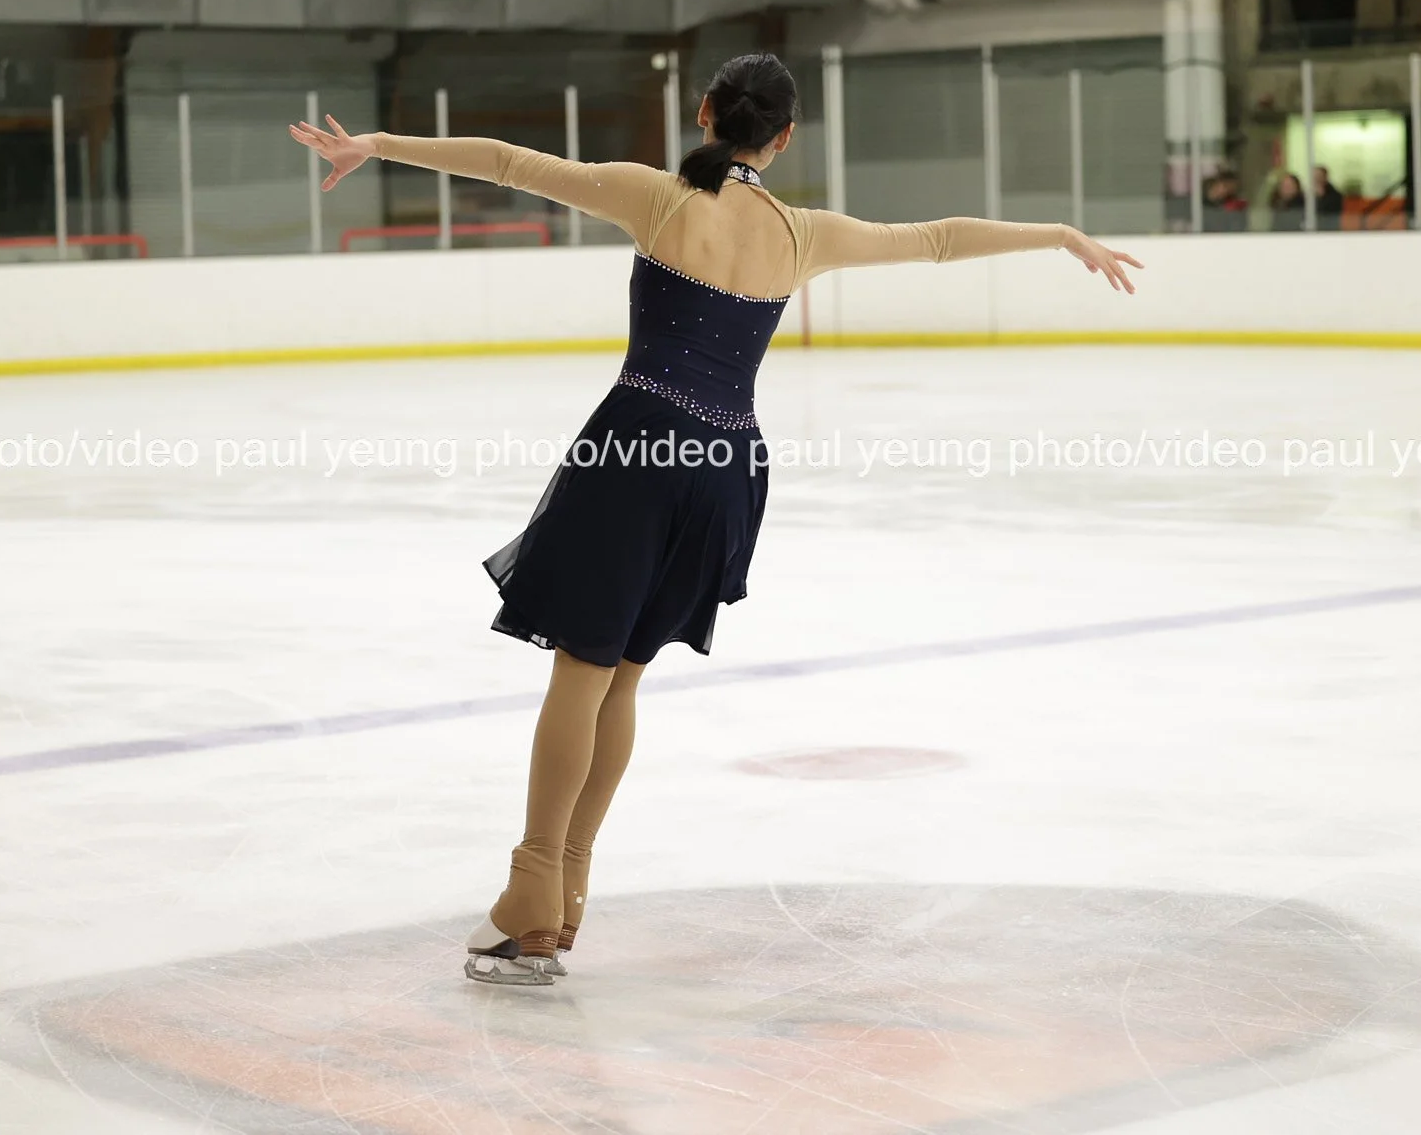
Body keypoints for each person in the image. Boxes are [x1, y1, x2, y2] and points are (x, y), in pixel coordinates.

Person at [289, 54, 1142, 986]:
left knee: (582, 668)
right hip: (724, 468)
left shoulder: (657, 200)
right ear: (784, 138)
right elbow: (935, 239)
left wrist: (376, 144)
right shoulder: (805, 233)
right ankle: (566, 891)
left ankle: (533, 892)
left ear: (703, 113)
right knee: (621, 674)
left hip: (638, 451)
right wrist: (1059, 233)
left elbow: (508, 163)